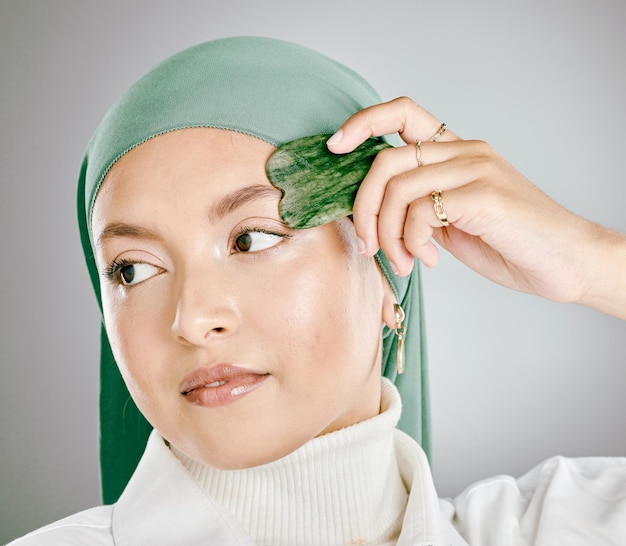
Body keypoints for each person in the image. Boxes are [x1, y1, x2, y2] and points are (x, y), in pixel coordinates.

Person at [9, 36, 625, 546]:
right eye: (133, 270)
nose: (192, 318)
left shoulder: (562, 527)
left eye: (251, 239)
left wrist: (591, 261)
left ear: (388, 276)